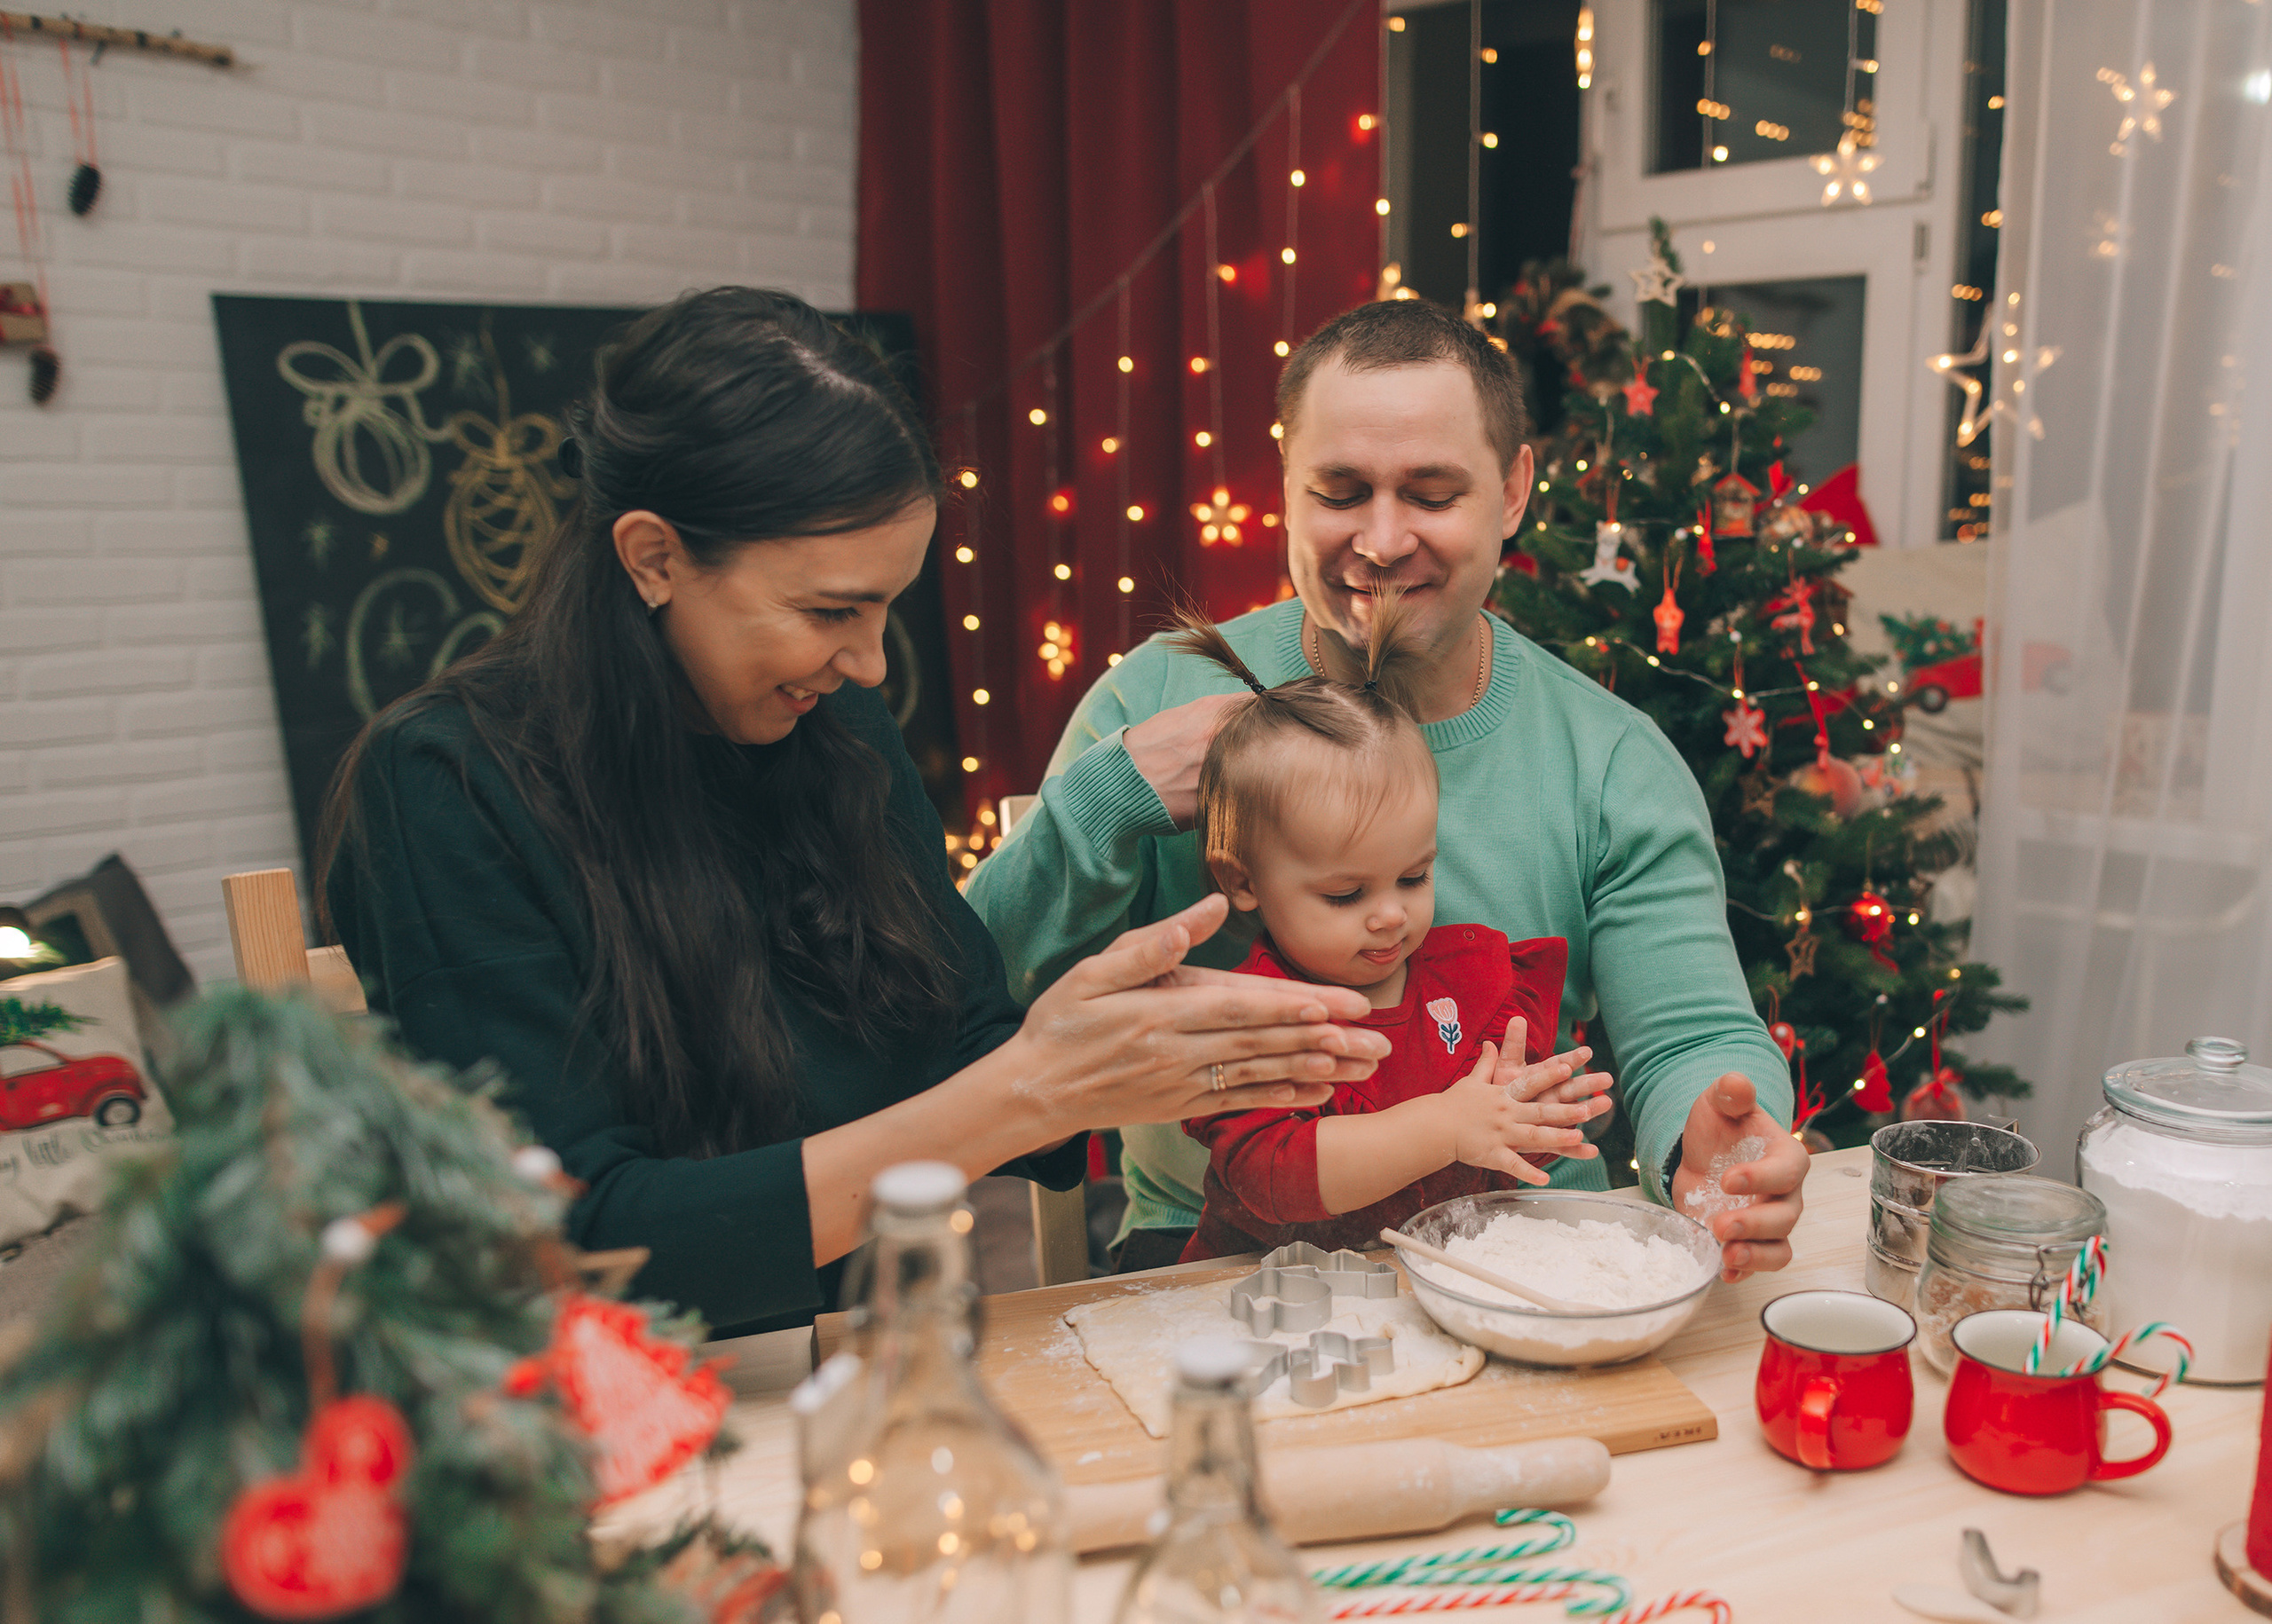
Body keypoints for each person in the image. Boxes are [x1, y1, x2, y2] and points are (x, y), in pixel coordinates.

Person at [320, 288, 1390, 1336]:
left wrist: (1118, 1046)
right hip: (580, 1396)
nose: (870, 662)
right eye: (830, 609)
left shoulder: (830, 732)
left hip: (824, 1358)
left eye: (884, 609)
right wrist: (1033, 1090)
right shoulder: (445, 784)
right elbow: (574, 1248)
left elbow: (960, 1040)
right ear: (653, 558)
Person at [967, 297, 1808, 1280]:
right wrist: (1107, 801)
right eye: (1339, 491)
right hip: (1224, 1261)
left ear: (1513, 492)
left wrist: (1720, 1141)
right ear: (1288, 487)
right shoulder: (1155, 699)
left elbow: (1692, 1033)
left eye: (1431, 494)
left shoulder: (1610, 760)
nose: (1379, 539)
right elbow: (967, 1003)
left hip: (1525, 1249)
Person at [1160, 603, 1613, 1263]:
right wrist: (1444, 1127)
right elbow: (1272, 1175)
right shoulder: (1250, 1021)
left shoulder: (1471, 983)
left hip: (1443, 1277)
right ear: (1243, 880)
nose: (1391, 916)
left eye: (1413, 877)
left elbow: (1489, 1155)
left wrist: (1522, 1120)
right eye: (1346, 894)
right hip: (1275, 1291)